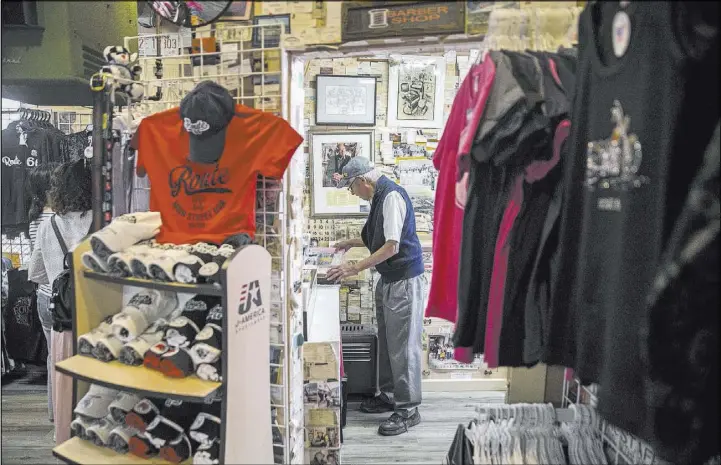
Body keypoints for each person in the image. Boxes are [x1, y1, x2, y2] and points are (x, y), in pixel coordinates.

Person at [327, 156, 425, 436]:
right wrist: (350, 242)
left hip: (404, 278)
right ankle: (390, 396)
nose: (352, 192)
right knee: (387, 341)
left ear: (363, 181)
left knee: (404, 346)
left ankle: (408, 409)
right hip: (391, 278)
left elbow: (392, 246)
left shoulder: (391, 197)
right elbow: (380, 237)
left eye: (351, 187)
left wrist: (354, 267)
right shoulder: (379, 197)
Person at [28, 159, 92, 444]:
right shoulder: (100, 221)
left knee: (57, 358)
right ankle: (89, 414)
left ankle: (58, 417)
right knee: (92, 359)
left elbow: (36, 273)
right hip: (89, 301)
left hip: (52, 301)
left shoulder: (47, 225)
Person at [26, 162, 59, 423]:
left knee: (52, 355)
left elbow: (35, 267)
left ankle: (54, 410)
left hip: (44, 294)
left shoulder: (34, 217)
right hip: (66, 296)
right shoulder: (59, 219)